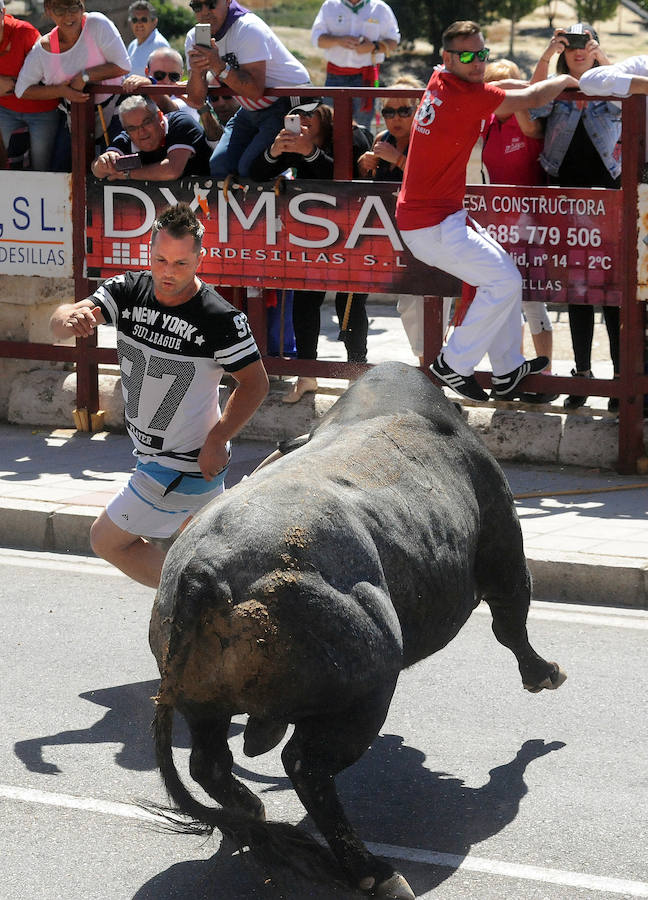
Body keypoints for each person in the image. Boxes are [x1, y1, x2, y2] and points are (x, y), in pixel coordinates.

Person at [49, 203, 269, 588]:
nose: (168, 272)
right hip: (155, 460)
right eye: (160, 259)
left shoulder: (221, 318)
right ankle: (220, 608)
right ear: (149, 251)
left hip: (181, 466)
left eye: (181, 263)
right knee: (199, 553)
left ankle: (196, 600)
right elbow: (61, 323)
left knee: (106, 540)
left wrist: (219, 438)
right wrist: (69, 316)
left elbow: (255, 383)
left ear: (201, 258)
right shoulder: (127, 289)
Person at [395, 20, 578, 403]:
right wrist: (565, 82)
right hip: (432, 225)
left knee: (501, 275)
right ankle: (453, 364)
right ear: (448, 57)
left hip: (439, 218)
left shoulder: (441, 80)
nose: (477, 62)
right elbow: (531, 99)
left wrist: (522, 82)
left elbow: (501, 89)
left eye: (482, 53)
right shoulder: (463, 97)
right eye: (467, 56)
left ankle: (508, 367)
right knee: (505, 282)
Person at [523, 24, 621, 411]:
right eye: (571, 44)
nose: (579, 51)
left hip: (606, 197)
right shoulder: (556, 84)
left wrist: (602, 60)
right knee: (576, 291)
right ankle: (581, 376)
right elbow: (531, 104)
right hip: (565, 197)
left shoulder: (611, 78)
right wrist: (547, 56)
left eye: (585, 44)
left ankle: (619, 378)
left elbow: (624, 100)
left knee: (613, 294)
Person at [249, 99, 371, 401]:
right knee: (304, 302)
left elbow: (346, 179)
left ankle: (357, 376)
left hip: (354, 233)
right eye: (295, 113)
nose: (301, 119)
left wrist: (310, 152)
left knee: (350, 306)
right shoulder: (295, 142)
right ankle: (307, 374)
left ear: (324, 114)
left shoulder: (351, 135)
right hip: (313, 235)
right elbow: (255, 172)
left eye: (308, 112)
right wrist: (275, 152)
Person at [481, 58, 556, 403]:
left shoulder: (525, 119)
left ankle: (545, 376)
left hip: (532, 223)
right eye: (496, 88)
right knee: (505, 304)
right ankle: (513, 373)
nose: (502, 96)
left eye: (506, 88)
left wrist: (524, 85)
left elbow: (531, 123)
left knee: (532, 303)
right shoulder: (487, 125)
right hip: (498, 224)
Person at [357, 74, 436, 365]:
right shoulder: (382, 141)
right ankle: (427, 365)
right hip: (398, 236)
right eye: (389, 111)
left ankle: (433, 370)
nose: (396, 118)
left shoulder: (429, 137)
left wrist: (398, 160)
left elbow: (433, 182)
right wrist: (366, 167)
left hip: (433, 231)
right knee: (408, 305)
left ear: (419, 110)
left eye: (404, 110)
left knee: (431, 303)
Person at [185, 0, 310, 179]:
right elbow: (196, 100)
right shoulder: (195, 37)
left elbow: (255, 91)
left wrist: (219, 66)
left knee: (250, 169)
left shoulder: (248, 27)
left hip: (289, 104)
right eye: (197, 6)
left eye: (211, 4)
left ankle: (283, 175)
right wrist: (197, 72)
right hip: (253, 106)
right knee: (219, 167)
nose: (205, 12)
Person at [14, 0, 130, 171]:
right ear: (48, 11)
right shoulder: (42, 50)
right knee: (61, 173)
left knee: (117, 171)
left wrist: (84, 76)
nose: (68, 15)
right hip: (74, 121)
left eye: (74, 7)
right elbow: (22, 90)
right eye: (60, 9)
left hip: (114, 114)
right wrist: (61, 90)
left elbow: (123, 66)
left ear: (82, 6)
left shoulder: (97, 24)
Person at [311, 0, 399, 129]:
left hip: (364, 78)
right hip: (335, 76)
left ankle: (361, 150)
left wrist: (373, 47)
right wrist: (338, 41)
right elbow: (317, 39)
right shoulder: (330, 6)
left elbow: (394, 41)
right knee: (329, 125)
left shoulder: (380, 8)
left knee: (362, 128)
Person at [91, 95, 211, 180]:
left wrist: (128, 174)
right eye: (132, 128)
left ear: (159, 116)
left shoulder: (182, 123)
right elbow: (97, 171)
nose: (141, 131)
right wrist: (103, 163)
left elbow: (172, 171)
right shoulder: (126, 137)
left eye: (146, 123)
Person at [0, 0, 60, 171]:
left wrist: (12, 84)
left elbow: (49, 73)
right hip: (6, 111)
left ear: (3, 12)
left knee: (41, 166)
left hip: (41, 112)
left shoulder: (24, 32)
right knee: (13, 164)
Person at [126, 0, 169, 76]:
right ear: (130, 22)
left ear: (154, 22)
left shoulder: (160, 45)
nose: (139, 24)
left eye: (144, 19)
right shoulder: (132, 45)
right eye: (135, 20)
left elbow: (166, 80)